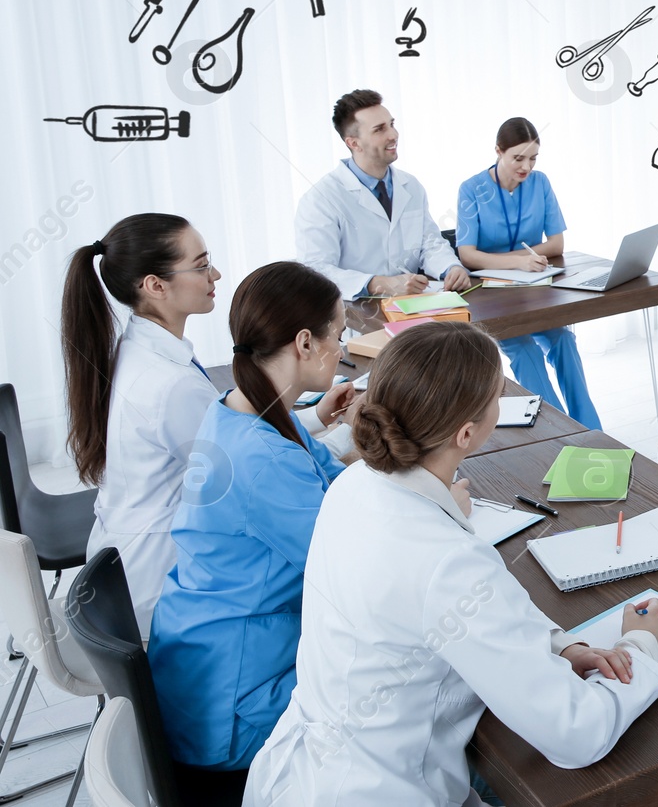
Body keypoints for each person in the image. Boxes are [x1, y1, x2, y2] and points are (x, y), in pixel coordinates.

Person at [245, 322, 658, 805]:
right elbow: (576, 733)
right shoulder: (447, 560)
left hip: (300, 776)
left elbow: (472, 614)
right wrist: (641, 645)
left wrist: (562, 645)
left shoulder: (353, 485)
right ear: (468, 434)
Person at [61, 216, 354, 638]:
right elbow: (252, 447)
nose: (215, 274)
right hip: (156, 584)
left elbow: (248, 425)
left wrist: (319, 416)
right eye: (200, 266)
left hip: (138, 559)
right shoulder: (170, 386)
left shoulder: (149, 353)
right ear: (155, 285)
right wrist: (348, 435)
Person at [148, 261, 349, 771]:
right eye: (340, 335)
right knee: (423, 688)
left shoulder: (241, 410)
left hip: (209, 658)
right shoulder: (261, 457)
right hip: (234, 710)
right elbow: (353, 569)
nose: (343, 350)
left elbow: (333, 479)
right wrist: (438, 506)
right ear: (305, 343)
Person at [454, 117, 602, 428]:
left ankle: (591, 429)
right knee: (524, 349)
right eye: (518, 158)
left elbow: (557, 243)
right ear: (498, 151)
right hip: (491, 296)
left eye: (533, 158)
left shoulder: (541, 183)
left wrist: (515, 259)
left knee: (564, 340)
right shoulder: (471, 189)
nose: (526, 167)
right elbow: (466, 254)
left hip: (535, 289)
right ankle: (559, 429)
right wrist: (519, 261)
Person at [296, 88, 471, 300]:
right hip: (358, 314)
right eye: (379, 129)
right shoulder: (321, 198)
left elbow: (429, 242)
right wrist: (377, 283)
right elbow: (316, 270)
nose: (393, 135)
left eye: (392, 124)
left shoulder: (410, 185)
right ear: (353, 143)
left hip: (414, 306)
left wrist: (450, 267)